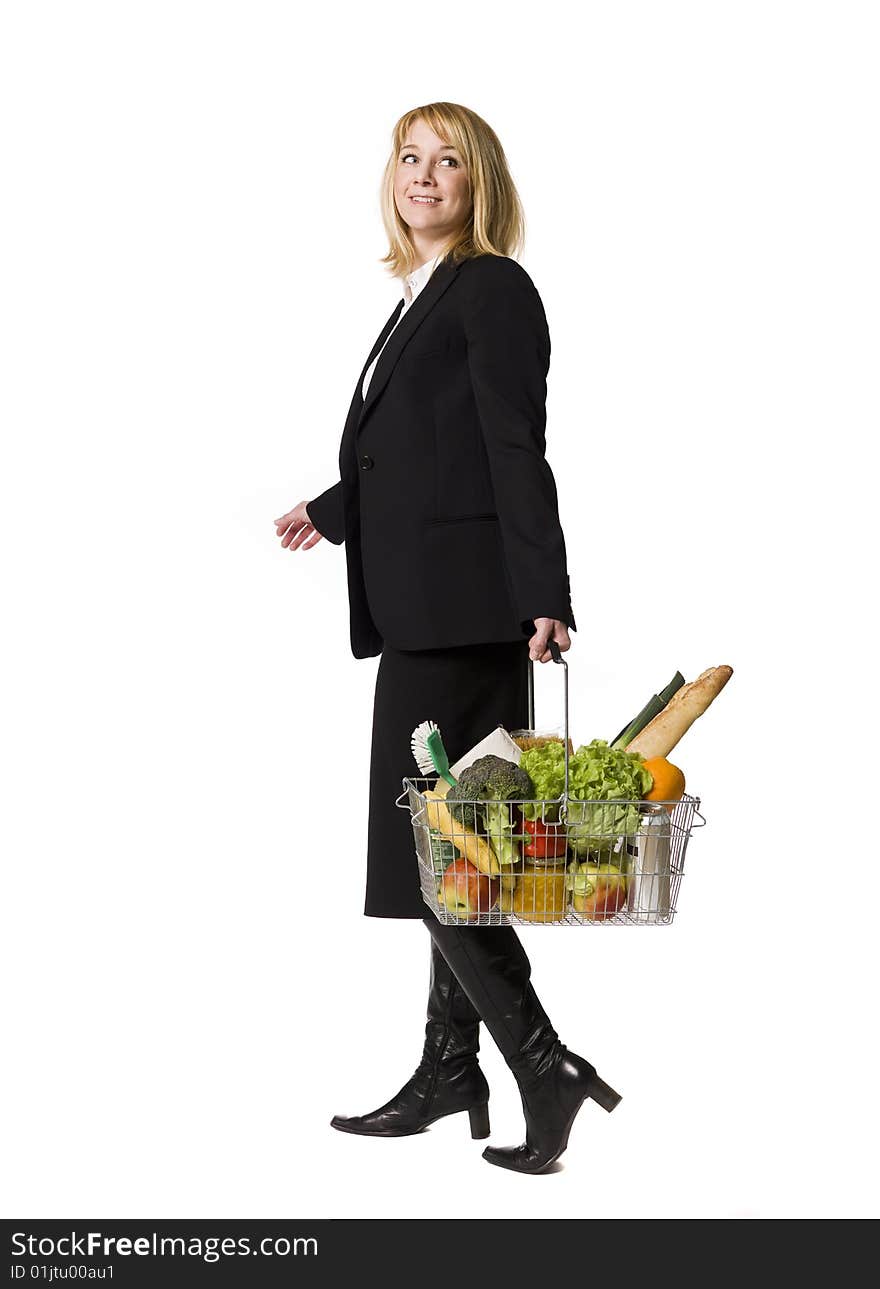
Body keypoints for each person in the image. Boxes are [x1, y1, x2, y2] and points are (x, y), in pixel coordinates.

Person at [274, 102, 620, 1174]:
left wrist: (544, 594)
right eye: (410, 158)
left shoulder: (493, 288)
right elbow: (423, 450)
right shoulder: (422, 295)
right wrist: (337, 509)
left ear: (481, 184)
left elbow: (514, 446)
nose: (424, 176)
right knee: (442, 856)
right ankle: (447, 1067)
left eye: (449, 162)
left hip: (469, 618)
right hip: (435, 608)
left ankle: (542, 1062)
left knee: (442, 862)